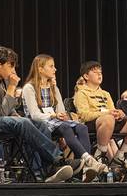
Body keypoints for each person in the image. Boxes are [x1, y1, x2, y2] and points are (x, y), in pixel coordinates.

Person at [0, 46, 76, 183]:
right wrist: (12, 88)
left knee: (39, 124)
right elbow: (0, 111)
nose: (13, 70)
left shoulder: (4, 79)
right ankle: (57, 159)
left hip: (0, 119)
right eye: (10, 65)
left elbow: (8, 109)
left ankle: (42, 173)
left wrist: (16, 115)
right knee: (23, 123)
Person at [22, 54, 104, 182]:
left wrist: (61, 114)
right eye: (51, 66)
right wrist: (54, 115)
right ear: (40, 69)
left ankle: (83, 171)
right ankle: (89, 160)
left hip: (55, 121)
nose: (55, 69)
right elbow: (34, 114)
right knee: (65, 127)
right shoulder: (29, 87)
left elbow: (60, 110)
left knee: (81, 127)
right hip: (38, 124)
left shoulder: (53, 88)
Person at [73, 61, 127, 174]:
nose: (99, 74)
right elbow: (84, 115)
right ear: (86, 76)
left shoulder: (105, 93)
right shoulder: (81, 93)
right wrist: (106, 113)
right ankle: (100, 154)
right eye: (95, 72)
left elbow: (113, 111)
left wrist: (119, 114)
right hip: (92, 124)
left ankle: (120, 156)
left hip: (110, 123)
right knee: (108, 119)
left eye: (100, 72)